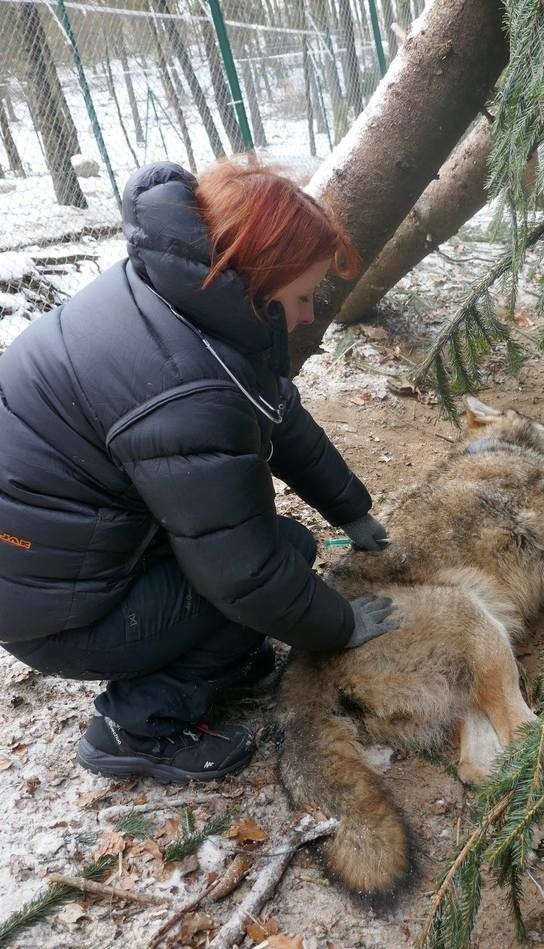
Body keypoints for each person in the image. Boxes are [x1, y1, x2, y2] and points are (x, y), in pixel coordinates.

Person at [0, 158, 399, 784]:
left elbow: (275, 411)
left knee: (284, 556)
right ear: (261, 271)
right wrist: (340, 626)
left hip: (56, 564)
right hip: (55, 614)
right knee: (274, 568)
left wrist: (349, 506)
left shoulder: (182, 292)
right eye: (300, 296)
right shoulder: (185, 384)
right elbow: (242, 578)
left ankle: (211, 657)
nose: (304, 317)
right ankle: (133, 728)